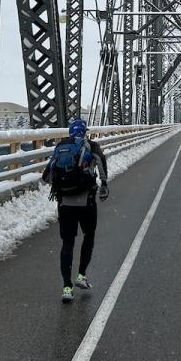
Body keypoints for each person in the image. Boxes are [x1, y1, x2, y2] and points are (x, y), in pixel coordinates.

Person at [42, 118, 108, 302]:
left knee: (67, 243)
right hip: (86, 201)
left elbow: (46, 177)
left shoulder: (61, 146)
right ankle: (81, 275)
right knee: (89, 235)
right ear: (85, 131)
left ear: (70, 132)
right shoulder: (91, 146)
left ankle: (66, 287)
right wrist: (104, 184)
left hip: (65, 203)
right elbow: (101, 164)